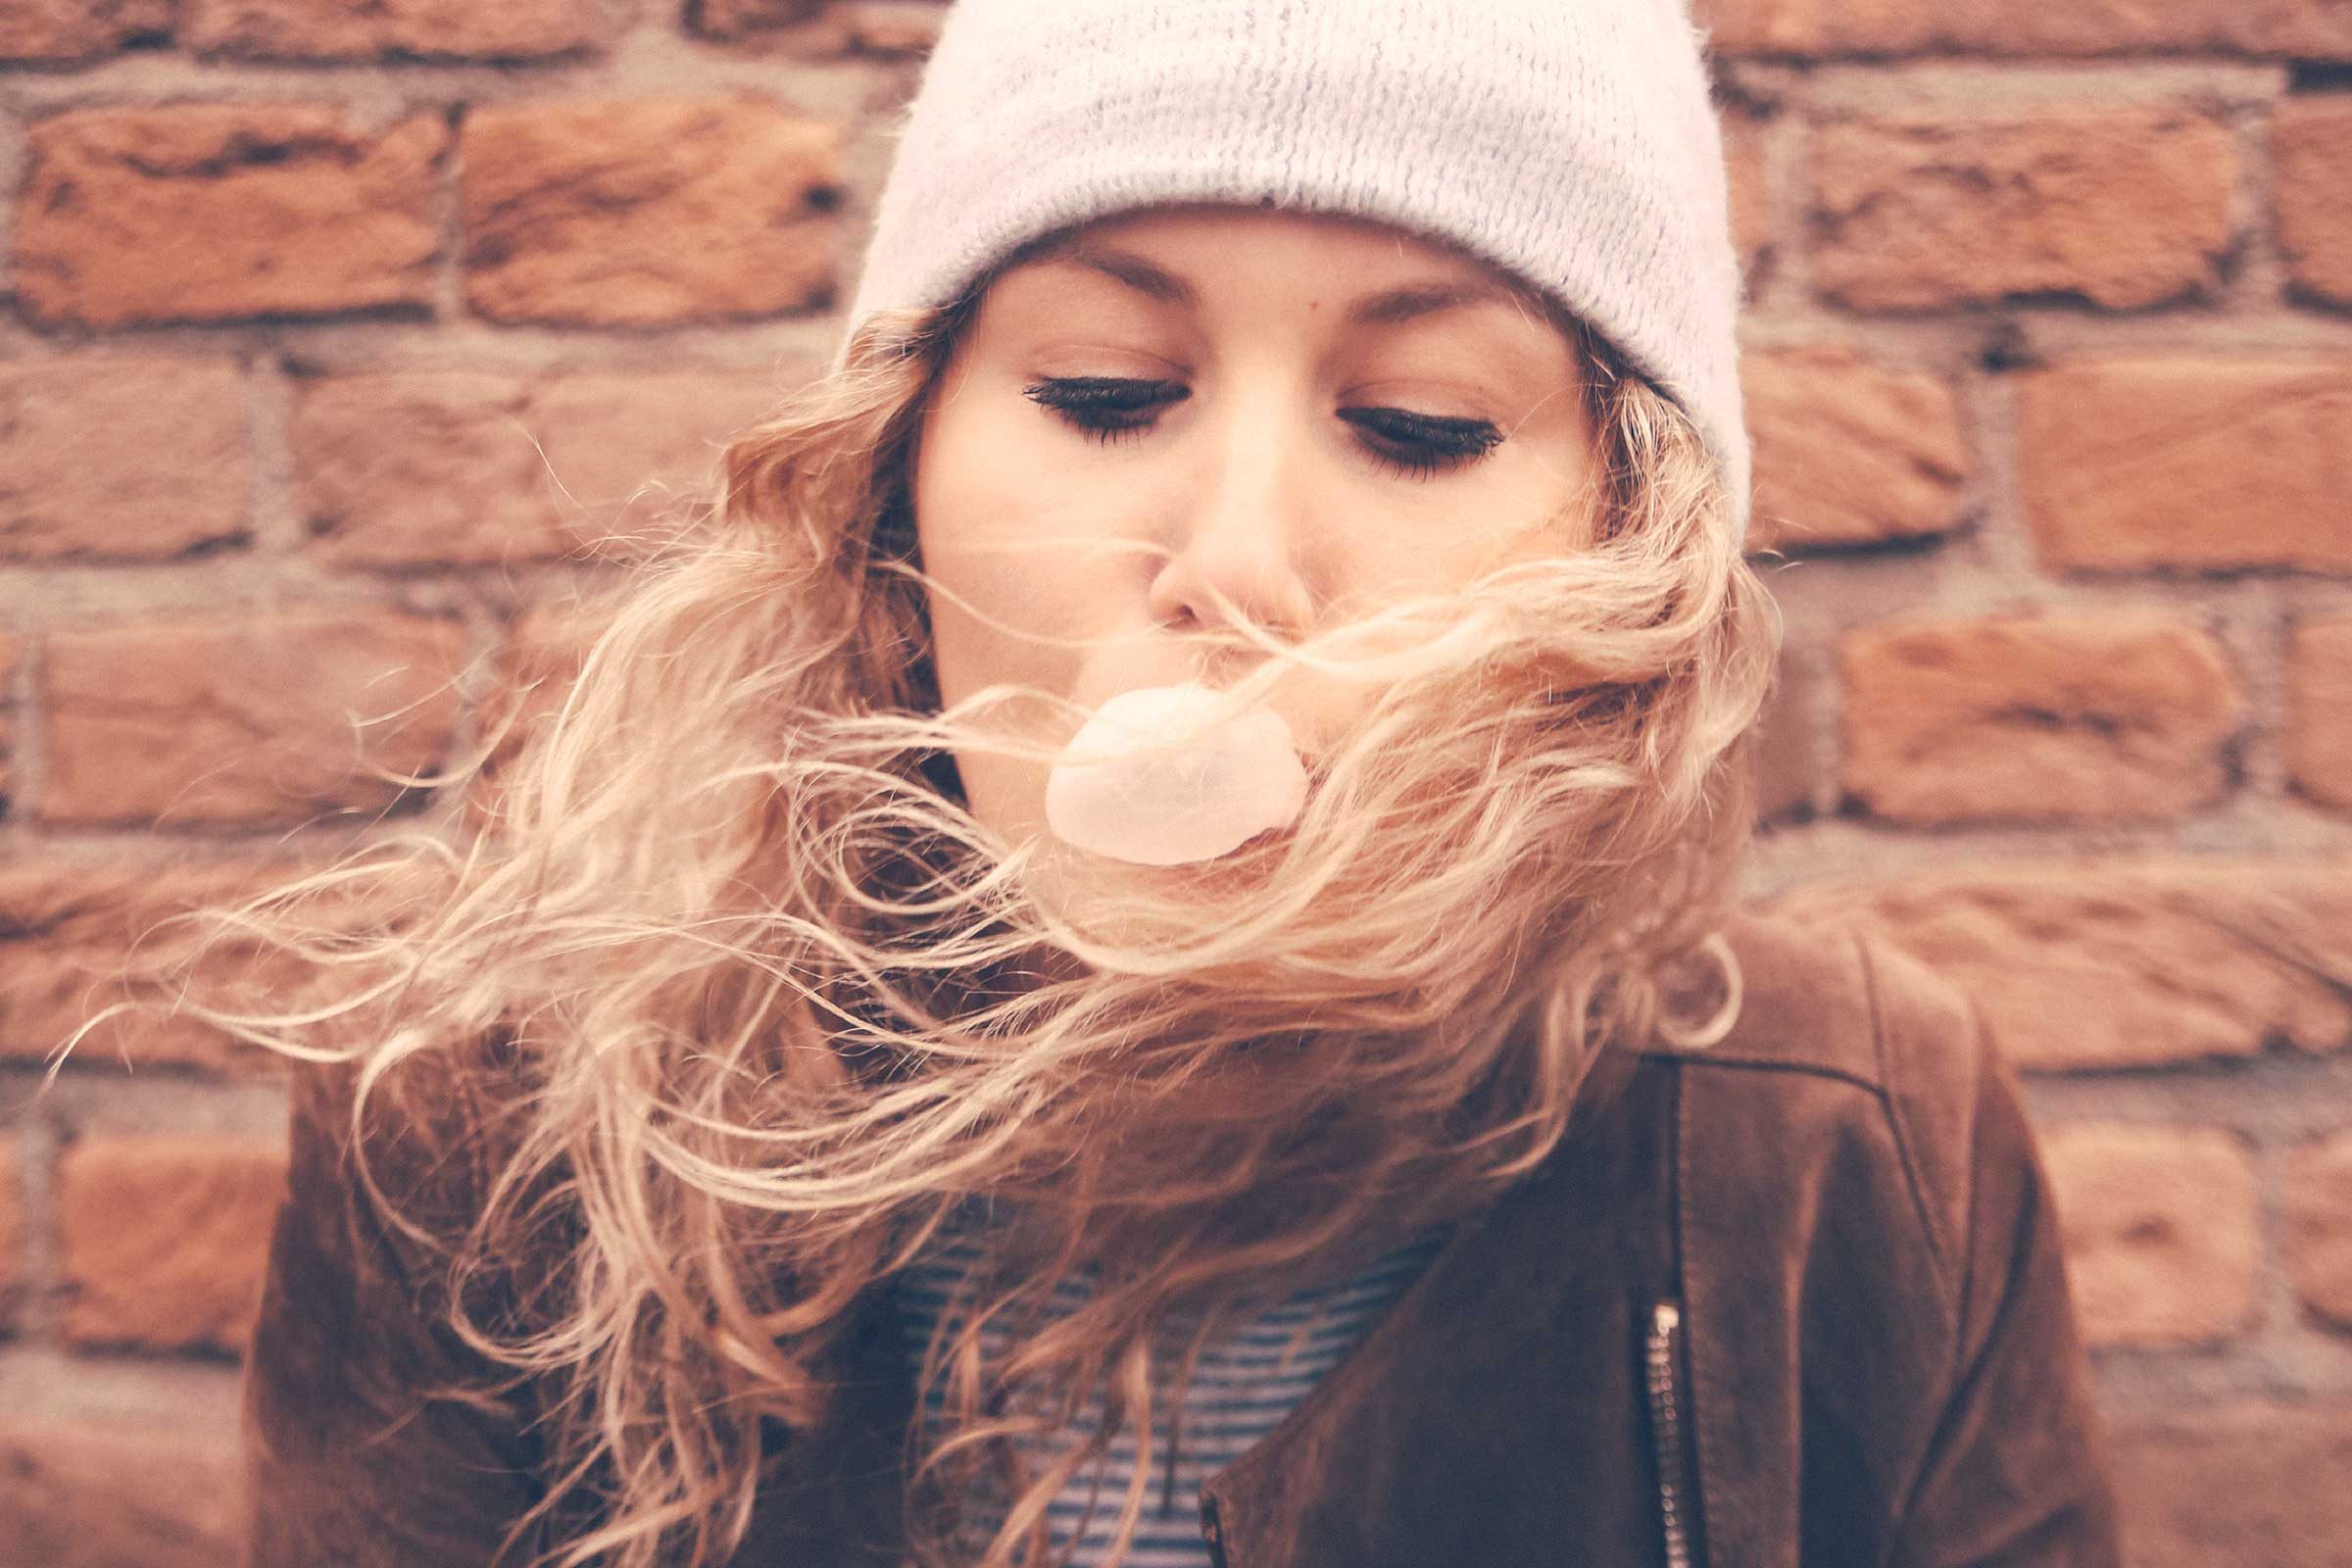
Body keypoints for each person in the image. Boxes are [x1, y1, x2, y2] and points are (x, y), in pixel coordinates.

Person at [187, 1, 2123, 1565]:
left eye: (1420, 426)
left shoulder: (1852, 1147)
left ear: (1627, 562)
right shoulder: (483, 1145)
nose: (1237, 562)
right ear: (890, 487)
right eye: (1106, 393)